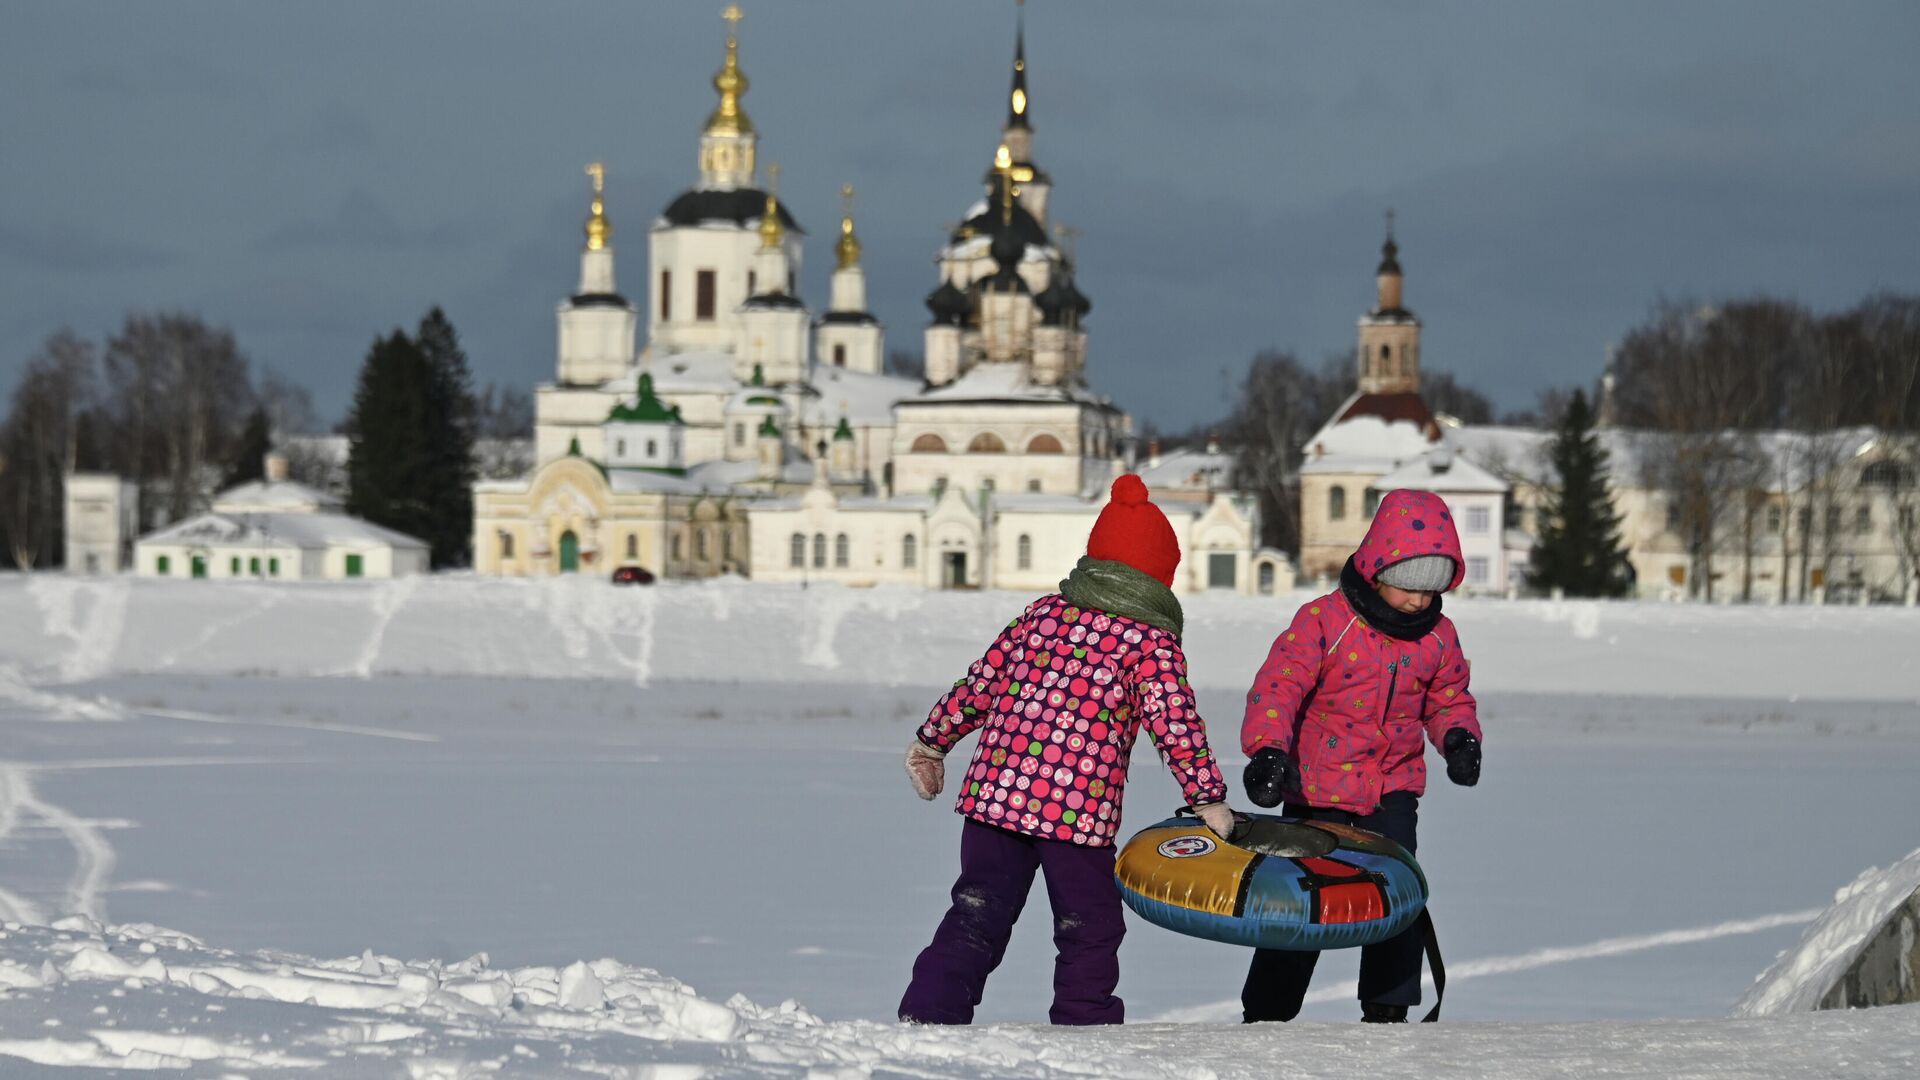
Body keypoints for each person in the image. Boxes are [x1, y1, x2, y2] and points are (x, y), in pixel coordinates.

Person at [898, 474, 1235, 1026]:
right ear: (1157, 576)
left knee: (977, 910)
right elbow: (1175, 722)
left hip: (995, 798)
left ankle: (930, 1012)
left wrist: (932, 742)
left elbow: (981, 684)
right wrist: (1206, 797)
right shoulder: (1150, 641)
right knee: (1090, 923)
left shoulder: (1041, 614)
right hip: (1075, 813)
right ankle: (1086, 1021)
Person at [1238, 488, 1482, 1023]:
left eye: (1434, 588)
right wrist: (1267, 751)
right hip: (1316, 795)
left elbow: (1448, 699)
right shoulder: (1325, 621)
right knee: (1302, 905)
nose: (1421, 600)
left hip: (1390, 793)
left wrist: (1459, 738)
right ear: (1377, 570)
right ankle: (1267, 1014)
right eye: (1410, 586)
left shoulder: (1438, 637)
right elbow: (1278, 687)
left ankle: (1388, 1007)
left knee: (1396, 900)